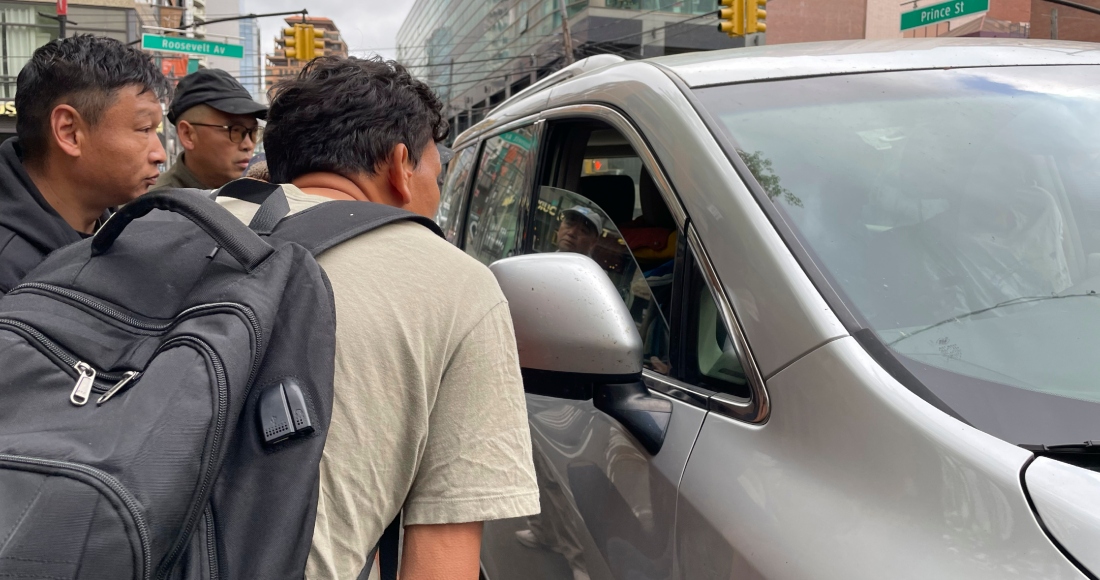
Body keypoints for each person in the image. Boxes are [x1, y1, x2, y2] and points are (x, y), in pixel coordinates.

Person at [218, 55, 539, 579]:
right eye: (436, 173)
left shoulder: (155, 228)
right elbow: (440, 560)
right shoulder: (455, 283)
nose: (437, 196)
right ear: (399, 165)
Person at [0, 35, 168, 293]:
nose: (160, 154)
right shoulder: (10, 273)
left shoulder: (121, 232)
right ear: (69, 132)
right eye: (144, 128)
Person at [154, 68, 266, 190]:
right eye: (235, 130)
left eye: (253, 132)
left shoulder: (261, 195)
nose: (248, 145)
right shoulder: (157, 205)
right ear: (188, 135)